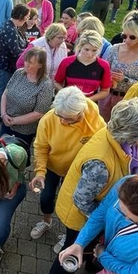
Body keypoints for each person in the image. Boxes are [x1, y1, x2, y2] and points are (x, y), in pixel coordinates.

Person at [51, 98, 138, 274]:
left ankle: (91, 263)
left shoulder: (117, 133)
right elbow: (82, 200)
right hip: (81, 217)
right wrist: (107, 219)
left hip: (95, 209)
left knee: (88, 245)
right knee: (76, 244)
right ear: (137, 132)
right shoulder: (100, 162)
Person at [28, 86, 106, 241]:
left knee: (72, 205)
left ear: (81, 112)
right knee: (46, 197)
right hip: (53, 166)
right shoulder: (49, 119)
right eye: (59, 116)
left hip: (77, 172)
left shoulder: (96, 122)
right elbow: (41, 147)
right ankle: (46, 221)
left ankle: (68, 233)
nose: (62, 121)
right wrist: (40, 172)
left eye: (69, 119)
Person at [100, 11, 138, 120]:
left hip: (129, 102)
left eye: (132, 37)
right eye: (124, 35)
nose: (126, 40)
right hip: (107, 97)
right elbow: (104, 70)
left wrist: (125, 80)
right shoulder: (114, 49)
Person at [0, 47, 54, 152]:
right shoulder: (19, 73)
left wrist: (14, 121)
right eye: (26, 60)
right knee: (2, 152)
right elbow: (5, 93)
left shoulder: (45, 85)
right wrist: (3, 115)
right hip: (6, 123)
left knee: (17, 157)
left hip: (24, 131)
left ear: (40, 65)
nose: (26, 64)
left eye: (31, 62)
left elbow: (39, 113)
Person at [0, 4, 31, 120]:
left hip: (8, 64)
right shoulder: (11, 29)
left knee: (5, 89)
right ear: (21, 16)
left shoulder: (13, 26)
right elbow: (16, 51)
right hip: (5, 65)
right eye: (27, 17)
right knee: (3, 89)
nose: (27, 20)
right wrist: (29, 49)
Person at [54, 30, 112, 101]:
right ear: (80, 47)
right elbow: (57, 83)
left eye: (94, 50)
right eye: (86, 49)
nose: (90, 54)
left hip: (90, 104)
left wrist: (87, 100)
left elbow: (105, 90)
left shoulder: (104, 65)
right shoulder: (67, 62)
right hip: (68, 101)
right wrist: (67, 95)